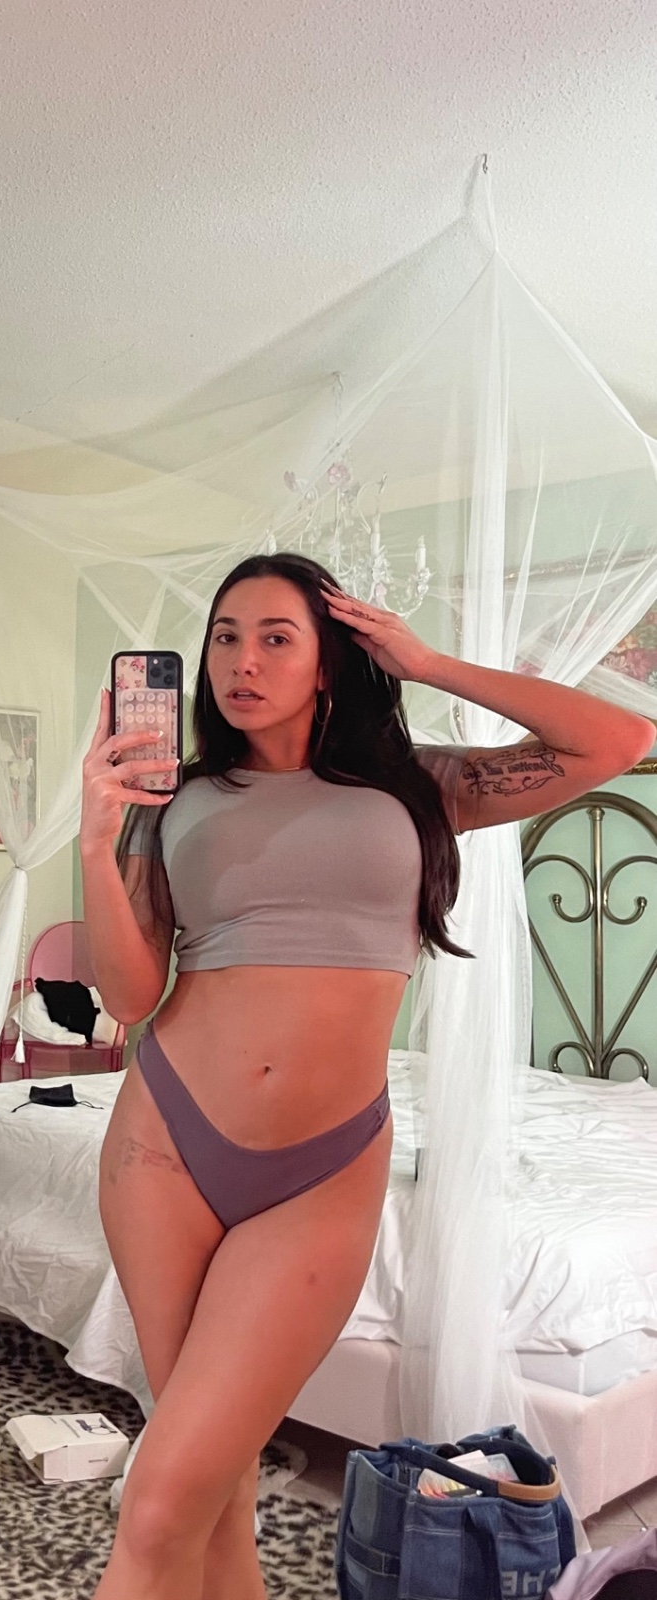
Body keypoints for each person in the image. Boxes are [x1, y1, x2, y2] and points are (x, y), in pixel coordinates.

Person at [79, 552, 654, 1600]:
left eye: (276, 638)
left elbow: (617, 740)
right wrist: (93, 840)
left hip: (320, 1170)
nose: (242, 662)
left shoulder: (422, 786)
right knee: (208, 1485)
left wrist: (426, 663)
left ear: (332, 660)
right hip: (164, 1146)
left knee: (160, 1500)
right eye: (225, 637)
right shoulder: (174, 799)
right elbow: (127, 993)